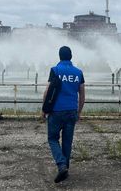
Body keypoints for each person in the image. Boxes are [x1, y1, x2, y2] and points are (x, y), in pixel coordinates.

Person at [42, 46, 85, 183]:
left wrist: (44, 109)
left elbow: (48, 90)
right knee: (67, 141)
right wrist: (79, 111)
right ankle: (65, 168)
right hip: (71, 111)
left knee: (52, 138)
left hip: (56, 111)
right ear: (71, 56)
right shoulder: (78, 72)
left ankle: (61, 166)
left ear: (59, 56)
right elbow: (82, 93)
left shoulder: (55, 70)